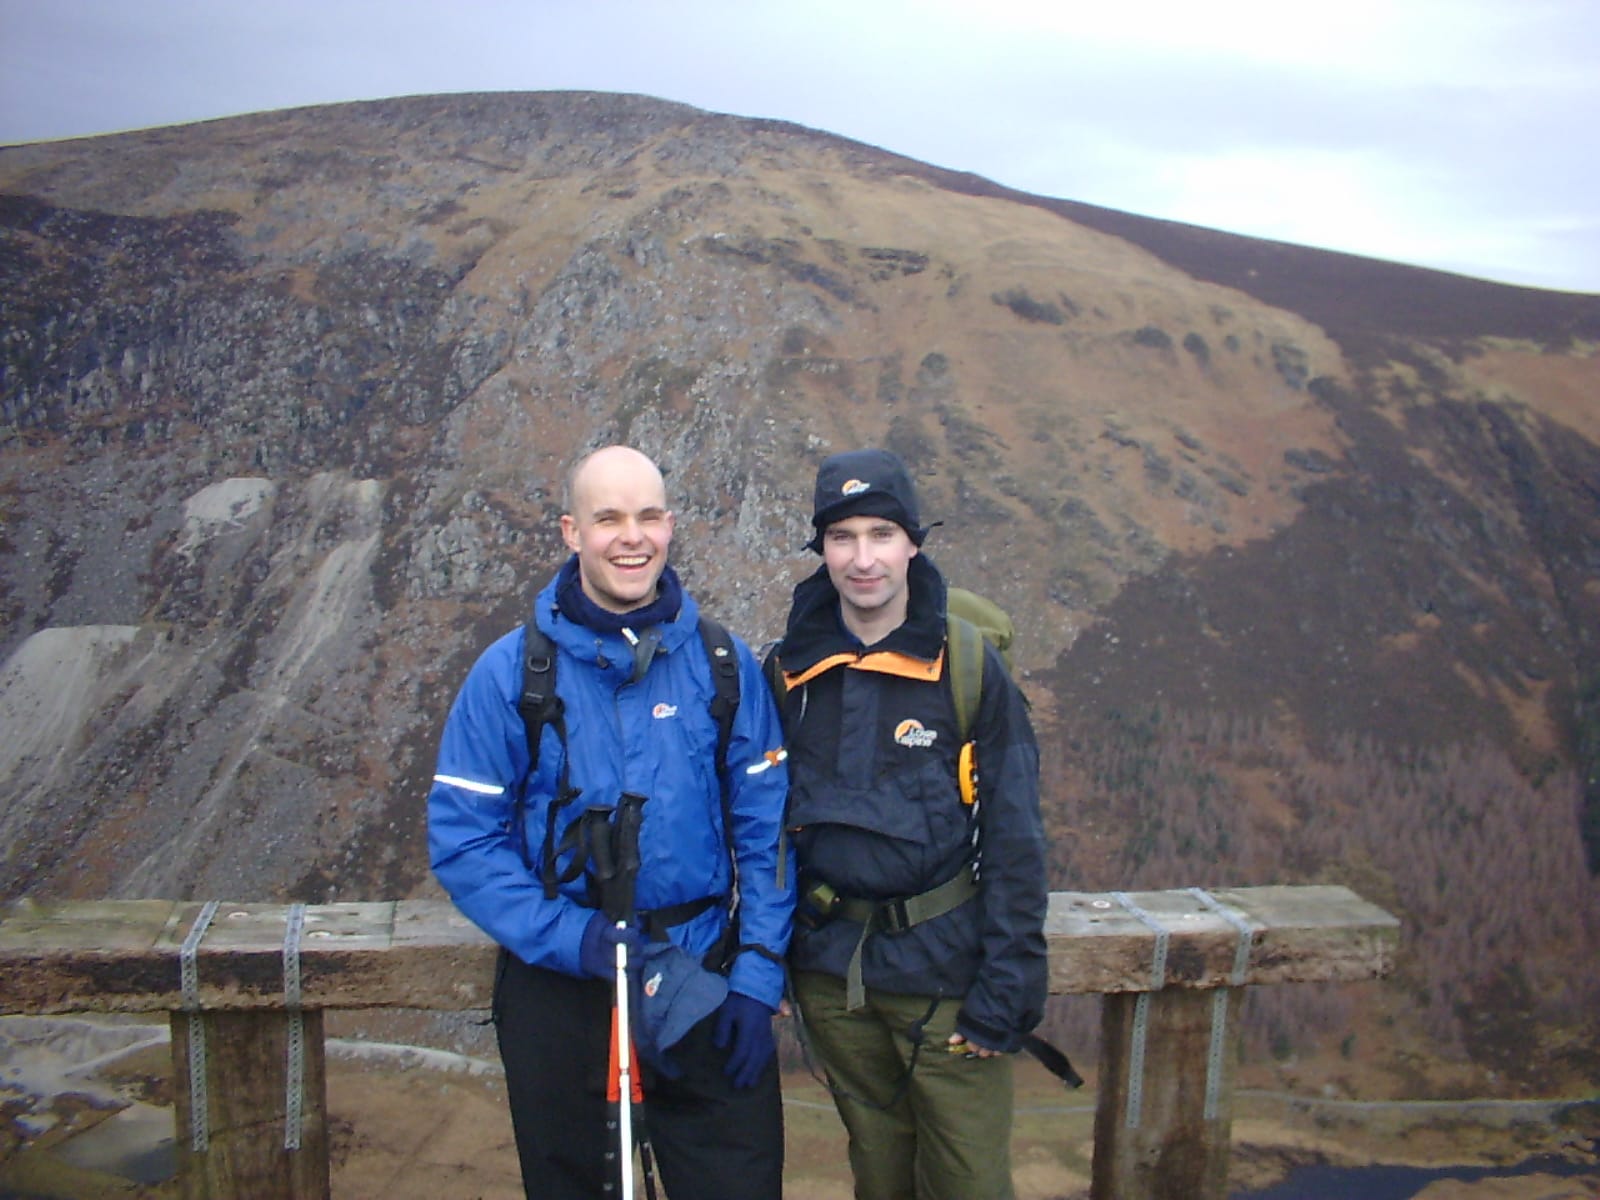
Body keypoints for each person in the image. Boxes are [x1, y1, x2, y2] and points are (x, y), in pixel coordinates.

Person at [428, 445, 794, 1200]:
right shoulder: (510, 674)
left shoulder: (723, 665)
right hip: (562, 990)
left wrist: (757, 980)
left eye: (648, 516)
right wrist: (573, 937)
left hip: (704, 981)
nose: (633, 537)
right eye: (609, 519)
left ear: (670, 525)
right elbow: (463, 839)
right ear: (571, 531)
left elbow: (769, 833)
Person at [768, 447, 1048, 1200]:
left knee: (970, 1182)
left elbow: (1017, 836)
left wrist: (1009, 988)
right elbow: (762, 830)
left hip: (948, 985)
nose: (863, 559)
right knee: (879, 1175)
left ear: (914, 544)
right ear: (821, 549)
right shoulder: (788, 671)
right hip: (832, 983)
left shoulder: (967, 668)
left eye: (881, 535)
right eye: (842, 537)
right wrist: (773, 958)